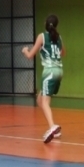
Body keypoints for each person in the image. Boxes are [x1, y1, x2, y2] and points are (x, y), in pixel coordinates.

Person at [21, 14, 65, 144]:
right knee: (40, 99)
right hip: (59, 71)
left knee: (45, 102)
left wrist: (24, 51)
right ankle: (53, 129)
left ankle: (52, 126)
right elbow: (63, 53)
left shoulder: (42, 36)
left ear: (45, 23)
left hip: (50, 71)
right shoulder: (59, 37)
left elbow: (30, 55)